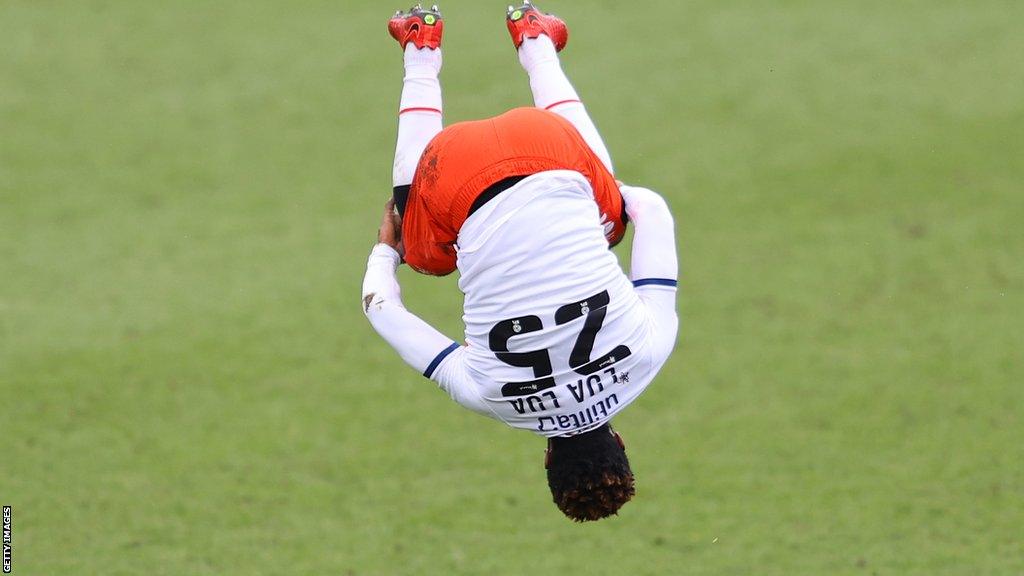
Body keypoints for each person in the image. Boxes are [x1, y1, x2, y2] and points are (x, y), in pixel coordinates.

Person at [362, 2, 679, 522]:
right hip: (453, 168)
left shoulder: (650, 352)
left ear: (620, 439)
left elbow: (655, 213)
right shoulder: (486, 394)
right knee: (425, 259)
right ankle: (420, 46)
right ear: (548, 457)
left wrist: (606, 197)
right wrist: (385, 250)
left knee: (617, 222)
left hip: (549, 141)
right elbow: (382, 311)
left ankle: (536, 41)